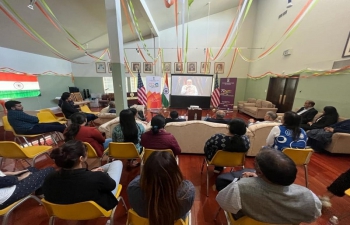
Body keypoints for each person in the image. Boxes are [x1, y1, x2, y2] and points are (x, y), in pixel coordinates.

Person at [216, 148, 322, 224]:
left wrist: (245, 182)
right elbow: (311, 218)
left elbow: (224, 204)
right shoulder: (310, 197)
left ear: (260, 172)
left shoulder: (240, 187)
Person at [43, 140, 123, 211]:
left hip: (63, 212)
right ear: (81, 158)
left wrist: (90, 173)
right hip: (96, 210)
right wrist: (98, 175)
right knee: (117, 163)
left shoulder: (49, 178)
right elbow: (112, 185)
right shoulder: (98, 177)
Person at [127, 151, 195, 225]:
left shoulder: (132, 189)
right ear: (175, 172)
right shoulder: (187, 192)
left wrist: (152, 177)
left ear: (145, 172)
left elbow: (139, 179)